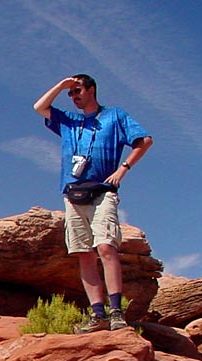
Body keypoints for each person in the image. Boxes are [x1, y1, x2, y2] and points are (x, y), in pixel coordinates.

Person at [33, 74, 153, 332]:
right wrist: (60, 85)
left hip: (102, 191)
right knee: (84, 254)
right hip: (73, 193)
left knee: (106, 247)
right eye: (71, 93)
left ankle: (116, 313)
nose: (74, 96)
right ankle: (98, 315)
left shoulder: (115, 116)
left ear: (92, 90)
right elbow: (39, 107)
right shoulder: (69, 120)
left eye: (77, 91)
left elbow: (144, 141)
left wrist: (123, 169)